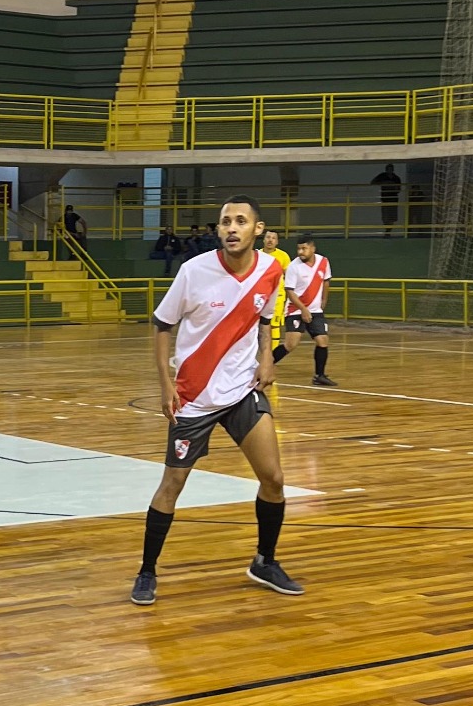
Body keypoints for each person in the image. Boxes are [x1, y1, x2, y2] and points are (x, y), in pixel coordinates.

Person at [130, 195, 301, 607]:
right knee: (171, 486)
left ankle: (264, 561)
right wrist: (165, 383)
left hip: (243, 390)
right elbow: (160, 325)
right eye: (225, 221)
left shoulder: (271, 269)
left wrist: (265, 357)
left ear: (257, 230)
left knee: (274, 480)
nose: (231, 228)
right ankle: (146, 571)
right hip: (194, 397)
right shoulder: (194, 271)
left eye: (241, 221)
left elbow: (263, 318)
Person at [272, 233, 336, 387]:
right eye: (299, 249)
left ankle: (319, 375)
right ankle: (266, 364)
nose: (301, 252)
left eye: (304, 249)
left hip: (315, 310)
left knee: (322, 341)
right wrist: (303, 310)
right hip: (295, 310)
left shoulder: (323, 262)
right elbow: (290, 291)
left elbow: (326, 281)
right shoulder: (294, 267)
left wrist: (324, 300)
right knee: (291, 344)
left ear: (312, 248)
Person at [260, 227, 292, 355]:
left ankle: (271, 356)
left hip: (277, 296)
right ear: (263, 239)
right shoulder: (257, 255)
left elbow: (289, 276)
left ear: (277, 241)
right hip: (260, 295)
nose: (270, 240)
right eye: (268, 237)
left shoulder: (283, 256)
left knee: (274, 325)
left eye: (273, 238)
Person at [371, 163, 403, 237]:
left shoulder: (396, 178)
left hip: (394, 199)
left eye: (391, 169)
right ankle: (387, 229)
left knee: (392, 216)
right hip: (385, 199)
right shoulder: (382, 176)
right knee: (385, 216)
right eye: (388, 169)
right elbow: (373, 182)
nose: (390, 170)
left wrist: (393, 187)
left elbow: (399, 189)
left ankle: (388, 231)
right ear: (386, 170)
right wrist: (384, 183)